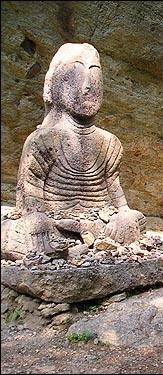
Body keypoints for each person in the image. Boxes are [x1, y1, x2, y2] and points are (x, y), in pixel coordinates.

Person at [1, 43, 145, 261]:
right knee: (24, 231)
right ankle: (67, 252)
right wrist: (40, 221)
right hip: (53, 226)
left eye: (94, 76)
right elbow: (30, 200)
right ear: (54, 85)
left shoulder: (109, 143)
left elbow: (116, 195)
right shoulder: (43, 140)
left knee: (135, 221)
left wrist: (124, 215)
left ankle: (78, 251)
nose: (87, 86)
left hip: (99, 227)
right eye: (75, 76)